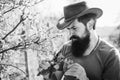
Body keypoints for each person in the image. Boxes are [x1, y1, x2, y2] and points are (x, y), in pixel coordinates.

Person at [54, 1, 120, 80]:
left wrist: (84, 78)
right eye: (69, 29)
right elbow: (53, 76)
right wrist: (46, 72)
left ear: (90, 25)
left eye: (74, 28)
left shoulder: (111, 56)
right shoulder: (66, 48)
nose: (70, 35)